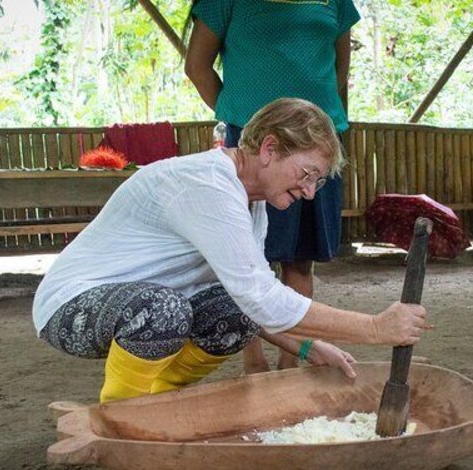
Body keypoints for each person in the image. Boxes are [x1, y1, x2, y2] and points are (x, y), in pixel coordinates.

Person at [32, 99, 428, 403]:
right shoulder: (208, 186)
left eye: (319, 183)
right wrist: (376, 328)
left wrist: (308, 347)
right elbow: (265, 299)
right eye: (307, 175)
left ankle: (158, 399)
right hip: (70, 307)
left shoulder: (252, 203)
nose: (310, 192)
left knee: (231, 312)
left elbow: (251, 303)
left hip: (142, 306)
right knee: (164, 310)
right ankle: (122, 412)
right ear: (269, 149)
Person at [184, 0, 359, 373]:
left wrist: (313, 129)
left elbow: (339, 69)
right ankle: (254, 365)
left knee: (300, 258)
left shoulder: (337, 1)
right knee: (249, 256)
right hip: (258, 144)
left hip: (314, 145)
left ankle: (290, 367)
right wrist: (248, 122)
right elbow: (197, 66)